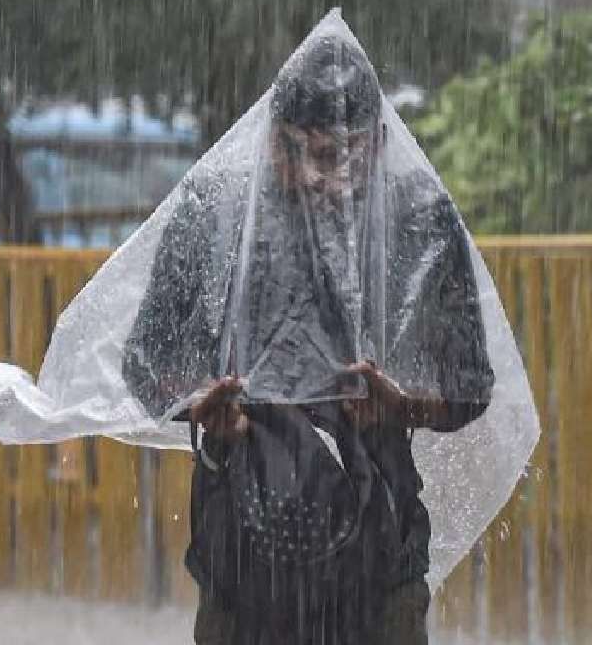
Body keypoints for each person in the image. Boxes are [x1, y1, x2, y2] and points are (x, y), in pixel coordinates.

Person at [122, 35, 495, 644]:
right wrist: (203, 407)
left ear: (379, 142)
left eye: (349, 155)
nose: (331, 179)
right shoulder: (214, 217)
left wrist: (405, 406)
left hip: (378, 559)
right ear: (273, 139)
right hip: (243, 556)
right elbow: (145, 367)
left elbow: (469, 387)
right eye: (312, 155)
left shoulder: (417, 222)